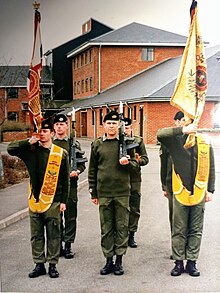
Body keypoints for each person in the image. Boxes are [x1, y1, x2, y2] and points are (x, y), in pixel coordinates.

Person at [7, 119, 70, 278]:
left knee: (53, 234)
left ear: (52, 133)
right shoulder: (31, 150)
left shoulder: (60, 154)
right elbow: (10, 149)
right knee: (36, 235)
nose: (41, 134)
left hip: (53, 201)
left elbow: (64, 180)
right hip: (35, 200)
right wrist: (28, 141)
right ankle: (39, 264)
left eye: (45, 131)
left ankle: (53, 265)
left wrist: (63, 201)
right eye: (39, 131)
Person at [157, 119, 215, 277]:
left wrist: (210, 189)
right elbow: (160, 134)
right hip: (180, 191)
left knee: (196, 229)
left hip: (199, 191)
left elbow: (211, 166)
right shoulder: (176, 142)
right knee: (179, 229)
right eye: (188, 123)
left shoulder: (204, 141)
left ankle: (192, 262)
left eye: (193, 123)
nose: (192, 126)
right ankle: (178, 262)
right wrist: (182, 131)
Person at [88, 111, 139, 276]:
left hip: (122, 192)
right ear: (104, 125)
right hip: (104, 192)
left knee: (121, 227)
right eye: (108, 123)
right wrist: (93, 191)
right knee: (106, 228)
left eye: (114, 123)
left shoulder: (126, 144)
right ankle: (108, 260)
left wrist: (128, 162)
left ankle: (119, 261)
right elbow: (92, 169)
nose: (111, 126)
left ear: (119, 125)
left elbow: (136, 165)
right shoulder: (97, 144)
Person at [53, 113, 86, 259]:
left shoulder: (73, 144)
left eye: (62, 124)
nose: (60, 127)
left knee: (70, 215)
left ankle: (68, 244)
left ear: (67, 126)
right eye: (57, 124)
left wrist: (77, 171)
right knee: (56, 217)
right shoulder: (50, 144)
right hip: (54, 185)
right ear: (54, 127)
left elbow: (82, 163)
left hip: (70, 185)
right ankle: (58, 244)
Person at [124, 117, 149, 248]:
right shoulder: (117, 141)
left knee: (134, 207)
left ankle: (132, 234)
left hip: (134, 178)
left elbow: (146, 159)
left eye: (127, 128)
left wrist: (139, 160)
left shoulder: (138, 141)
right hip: (120, 178)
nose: (125, 130)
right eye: (123, 128)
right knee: (122, 208)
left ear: (131, 128)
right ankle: (122, 235)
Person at [159, 111, 185, 236]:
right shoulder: (169, 140)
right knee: (174, 216)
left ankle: (186, 246)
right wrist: (164, 185)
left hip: (190, 186)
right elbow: (163, 164)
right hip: (172, 185)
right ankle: (176, 247)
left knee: (188, 217)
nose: (182, 123)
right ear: (176, 122)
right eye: (180, 120)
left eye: (186, 120)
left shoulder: (195, 139)